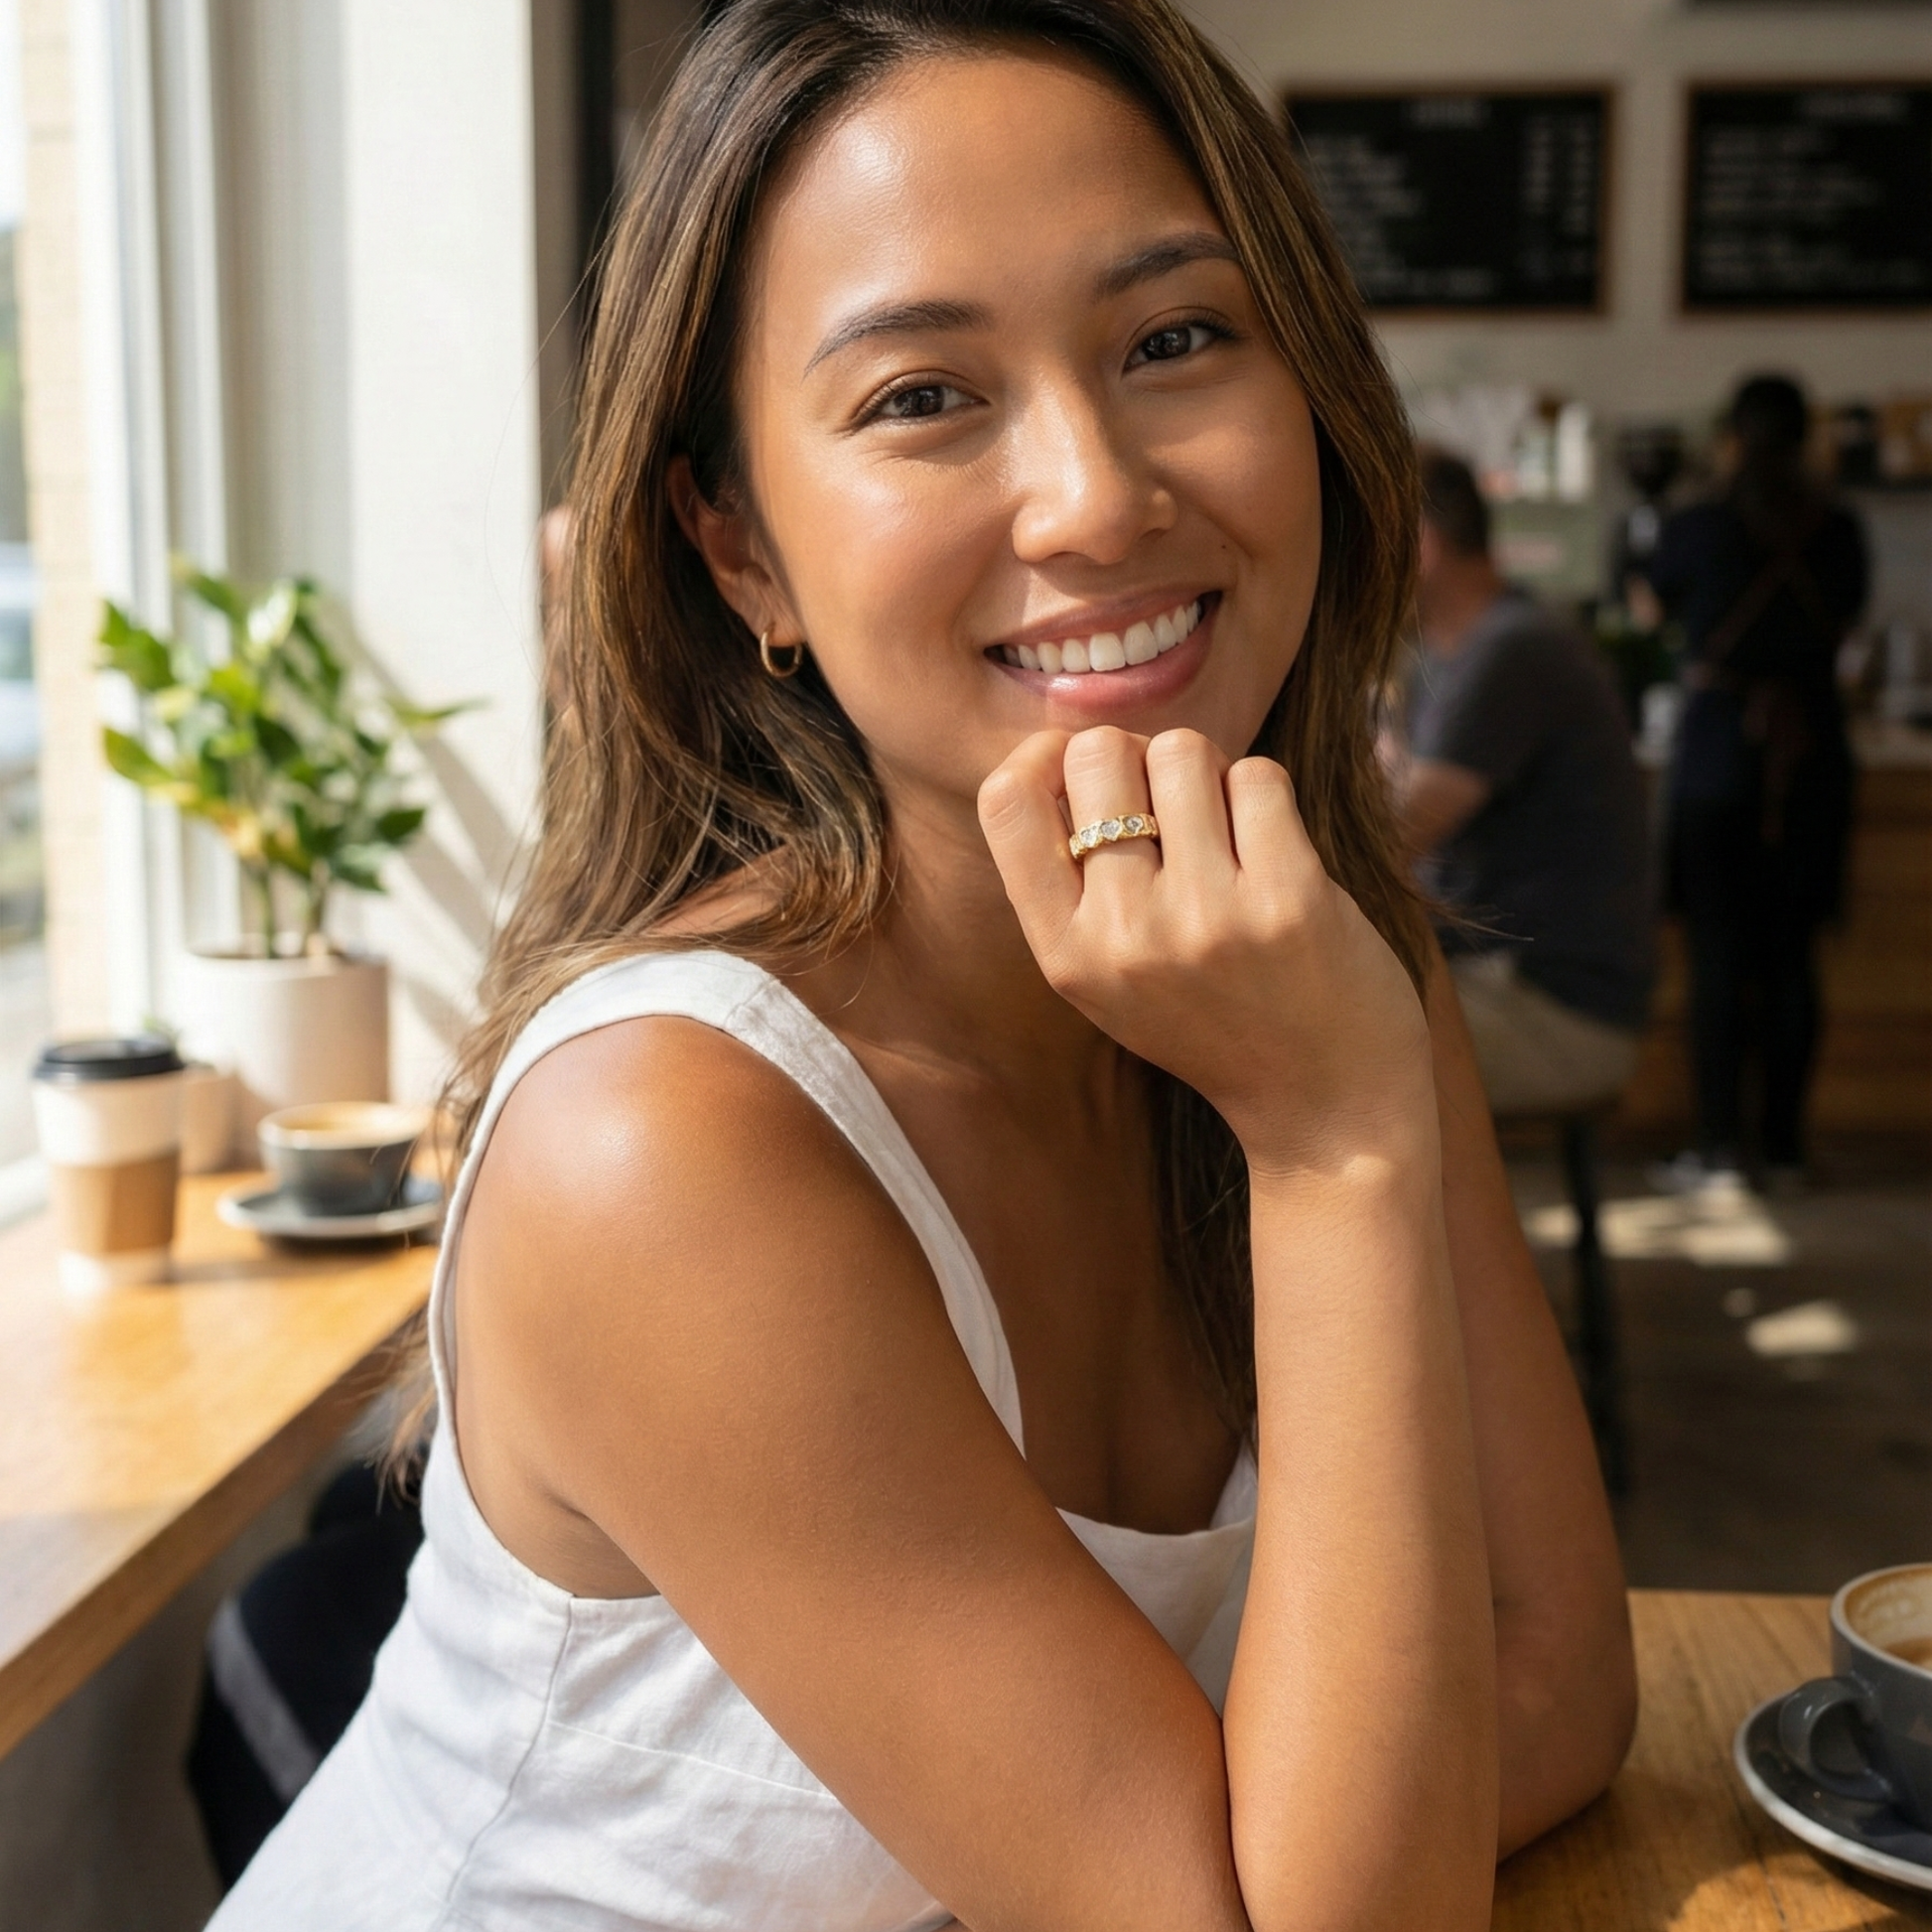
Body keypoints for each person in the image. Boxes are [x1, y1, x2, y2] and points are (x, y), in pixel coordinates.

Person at [209, 5, 1633, 1927]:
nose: (1095, 495)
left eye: (1175, 339)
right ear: (742, 552)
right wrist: (1329, 1156)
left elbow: (1550, 1674)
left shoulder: (1309, 967)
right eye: (919, 398)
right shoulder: (664, 1142)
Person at [1637, 374, 1868, 1192]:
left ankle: (1715, 1148)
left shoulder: (1698, 523)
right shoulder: (1839, 528)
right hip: (1812, 756)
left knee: (1716, 957)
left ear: (1732, 437)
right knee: (1794, 959)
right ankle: (1785, 1149)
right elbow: (1848, 623)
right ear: (1806, 438)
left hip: (1717, 756)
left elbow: (1645, 608)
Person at [1396, 447, 1654, 1117]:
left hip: (1554, 1012)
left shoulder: (1511, 649)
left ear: (1421, 546)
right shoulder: (1448, 653)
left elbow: (1394, 835)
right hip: (1494, 980)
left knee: (1299, 1047)